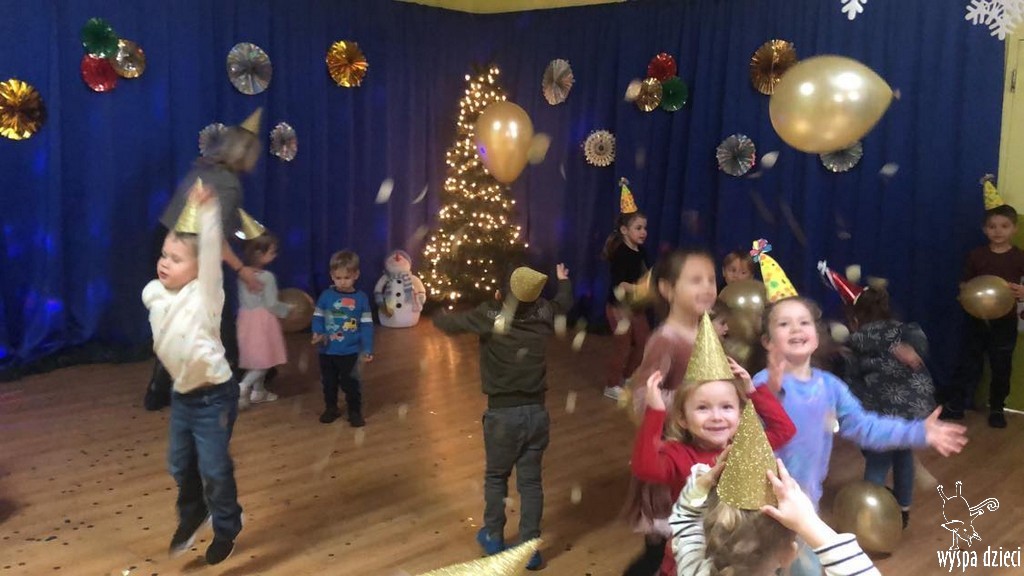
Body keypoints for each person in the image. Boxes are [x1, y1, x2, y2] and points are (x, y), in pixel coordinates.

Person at [753, 296, 968, 576]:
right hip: (761, 503)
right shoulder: (762, 384)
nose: (795, 328)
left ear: (816, 336)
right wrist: (769, 390)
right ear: (767, 341)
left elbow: (866, 427)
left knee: (806, 569)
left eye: (803, 322)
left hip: (806, 502)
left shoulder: (830, 387)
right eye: (784, 324)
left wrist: (918, 431)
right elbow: (748, 439)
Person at [433, 264, 573, 572]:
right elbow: (564, 303)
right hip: (537, 414)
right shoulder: (544, 312)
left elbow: (451, 324)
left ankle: (494, 537)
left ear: (500, 294)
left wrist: (435, 311)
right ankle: (529, 548)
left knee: (497, 477)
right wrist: (564, 281)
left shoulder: (489, 315)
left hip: (502, 417)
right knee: (531, 482)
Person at [631, 312, 795, 575]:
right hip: (689, 559)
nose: (716, 416)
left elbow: (785, 429)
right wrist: (655, 412)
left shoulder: (745, 448)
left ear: (740, 413)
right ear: (682, 418)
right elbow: (645, 467)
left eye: (727, 407)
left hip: (738, 559)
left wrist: (751, 390)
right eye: (703, 408)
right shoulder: (678, 454)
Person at [141, 180, 242, 565]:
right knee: (179, 463)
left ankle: (227, 526)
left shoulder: (205, 296)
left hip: (215, 395)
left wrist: (209, 211)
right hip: (183, 395)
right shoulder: (155, 293)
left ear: (200, 270)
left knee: (214, 467)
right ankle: (194, 512)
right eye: (164, 255)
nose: (165, 262)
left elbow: (211, 250)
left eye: (177, 259)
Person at [145, 108, 265, 411]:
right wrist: (242, 269)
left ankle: (159, 389)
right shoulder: (229, 184)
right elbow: (214, 238)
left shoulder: (203, 169)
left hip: (165, 244)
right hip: (186, 253)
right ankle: (226, 383)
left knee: (175, 318)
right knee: (211, 316)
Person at [620, 249, 717, 576]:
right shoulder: (666, 340)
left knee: (690, 542)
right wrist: (689, 403)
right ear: (667, 289)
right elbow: (641, 396)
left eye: (711, 280)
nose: (707, 287)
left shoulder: (705, 332)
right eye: (695, 280)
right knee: (662, 549)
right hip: (671, 460)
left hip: (698, 457)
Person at [670, 456, 881, 576]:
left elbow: (685, 519)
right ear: (789, 554)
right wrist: (808, 522)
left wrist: (700, 485)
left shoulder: (693, 568)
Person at [842, 284, 934, 528]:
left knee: (878, 459)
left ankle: (869, 516)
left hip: (882, 412)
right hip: (914, 411)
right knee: (903, 454)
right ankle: (903, 510)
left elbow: (852, 384)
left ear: (855, 319)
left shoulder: (855, 343)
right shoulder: (906, 332)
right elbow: (920, 346)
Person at [944, 178, 1024, 428]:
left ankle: (997, 408)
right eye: (992, 226)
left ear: (1014, 229)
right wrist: (965, 292)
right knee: (968, 362)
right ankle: (956, 404)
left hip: (1005, 321)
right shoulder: (976, 255)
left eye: (1004, 226)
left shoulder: (1019, 257)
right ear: (984, 229)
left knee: (1001, 366)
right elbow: (965, 283)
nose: (998, 231)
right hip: (976, 319)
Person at [312, 250, 374, 426]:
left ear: (356, 275)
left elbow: (367, 326)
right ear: (332, 276)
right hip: (327, 351)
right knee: (329, 383)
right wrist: (318, 332)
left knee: (351, 384)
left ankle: (354, 411)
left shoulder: (361, 299)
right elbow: (318, 317)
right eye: (338, 278)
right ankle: (331, 408)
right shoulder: (326, 296)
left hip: (351, 352)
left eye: (347, 277)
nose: (342, 282)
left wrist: (367, 348)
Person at [603, 179, 651, 401]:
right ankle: (612, 384)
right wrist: (639, 287)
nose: (643, 232)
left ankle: (628, 376)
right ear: (624, 230)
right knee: (622, 346)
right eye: (638, 228)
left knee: (643, 341)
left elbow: (647, 273)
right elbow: (620, 284)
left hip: (635, 306)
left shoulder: (641, 251)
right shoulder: (620, 253)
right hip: (618, 307)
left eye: (644, 228)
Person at [236, 232, 293, 409]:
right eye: (272, 252)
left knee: (257, 358)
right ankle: (243, 386)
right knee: (264, 361)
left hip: (245, 320)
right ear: (259, 254)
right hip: (263, 322)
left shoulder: (242, 275)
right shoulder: (267, 277)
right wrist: (288, 309)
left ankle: (258, 391)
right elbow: (271, 304)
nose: (275, 255)